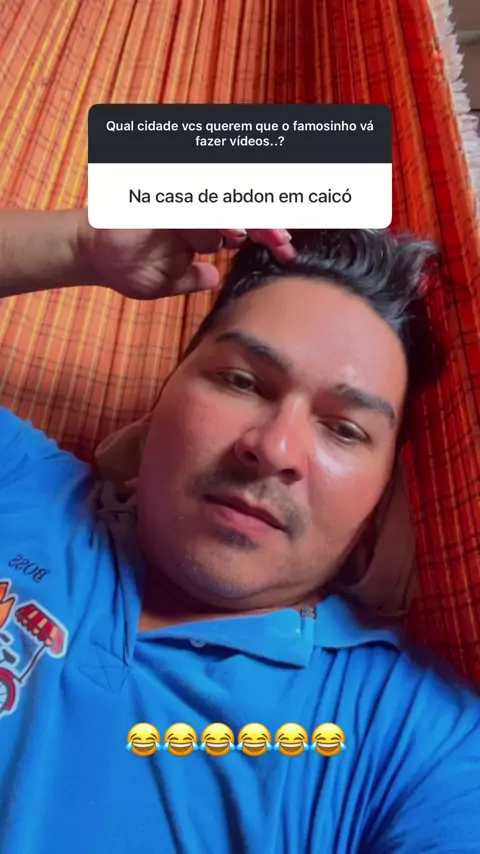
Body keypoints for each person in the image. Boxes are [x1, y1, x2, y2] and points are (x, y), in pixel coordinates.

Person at [0, 209, 479, 854]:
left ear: (383, 490)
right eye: (241, 381)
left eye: (344, 429)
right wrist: (79, 243)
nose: (275, 448)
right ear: (164, 394)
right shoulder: (22, 482)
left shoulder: (417, 742)